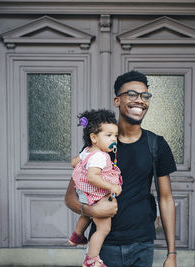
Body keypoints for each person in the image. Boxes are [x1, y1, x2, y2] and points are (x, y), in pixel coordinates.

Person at [65, 70, 177, 267]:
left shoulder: (156, 144)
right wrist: (91, 210)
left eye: (145, 95)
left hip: (142, 244)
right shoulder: (97, 146)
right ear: (117, 100)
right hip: (104, 246)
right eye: (132, 95)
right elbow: (70, 198)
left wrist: (172, 254)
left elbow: (166, 198)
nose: (140, 100)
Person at [68, 109, 123, 267]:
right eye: (109, 135)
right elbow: (92, 177)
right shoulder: (99, 156)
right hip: (95, 195)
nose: (114, 139)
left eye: (115, 136)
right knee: (103, 228)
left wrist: (82, 158)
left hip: (83, 193)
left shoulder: (87, 151)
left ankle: (76, 236)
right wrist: (112, 186)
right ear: (93, 137)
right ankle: (91, 259)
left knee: (86, 215)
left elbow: (73, 163)